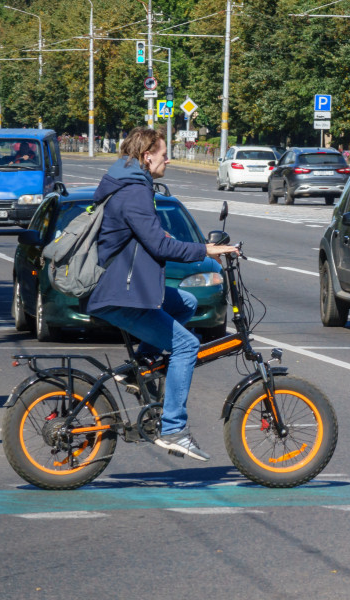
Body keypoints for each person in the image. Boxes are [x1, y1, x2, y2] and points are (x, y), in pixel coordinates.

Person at [87, 127, 239, 461]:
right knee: (186, 345)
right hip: (123, 294)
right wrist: (205, 250)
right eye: (163, 152)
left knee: (186, 302)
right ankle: (173, 428)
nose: (167, 158)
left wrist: (197, 246)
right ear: (147, 156)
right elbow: (158, 245)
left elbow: (148, 235)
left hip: (129, 289)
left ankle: (138, 366)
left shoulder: (130, 184)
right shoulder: (134, 190)